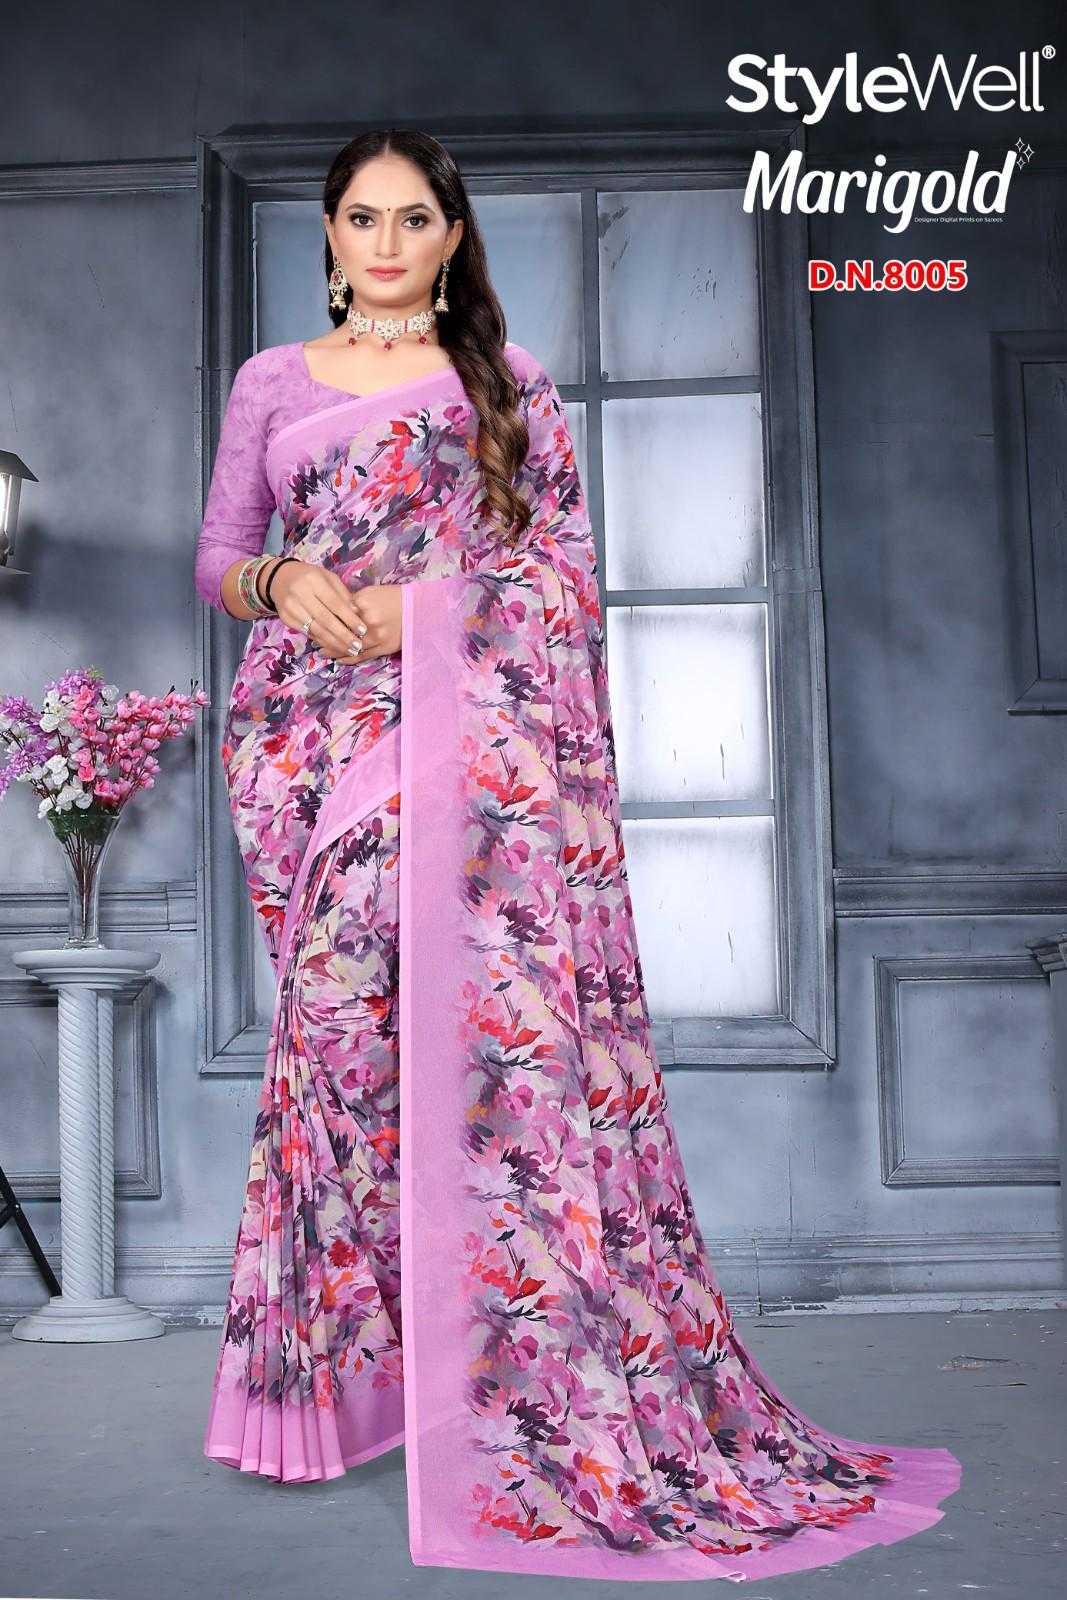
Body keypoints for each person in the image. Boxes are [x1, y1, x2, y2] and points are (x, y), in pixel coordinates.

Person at [195, 127, 961, 1581]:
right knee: (337, 1052)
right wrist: (282, 579)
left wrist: (425, 606)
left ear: (452, 237)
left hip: (464, 749)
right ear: (330, 234)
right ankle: (346, 1391)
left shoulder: (509, 382)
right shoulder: (272, 384)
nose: (385, 243)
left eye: (413, 219)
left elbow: (559, 572)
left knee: (495, 1060)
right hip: (306, 745)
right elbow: (217, 554)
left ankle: (516, 1392)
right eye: (361, 218)